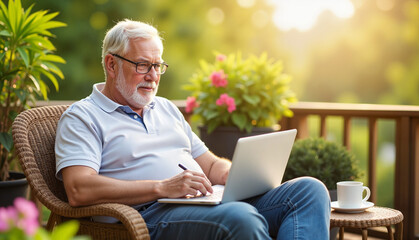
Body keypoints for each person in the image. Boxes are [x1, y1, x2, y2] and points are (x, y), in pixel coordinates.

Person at [55, 19, 331, 240]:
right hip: (148, 215)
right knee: (241, 218)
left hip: (206, 202)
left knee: (308, 191)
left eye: (157, 65)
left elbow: (209, 165)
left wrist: (235, 174)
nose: (152, 76)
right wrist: (162, 187)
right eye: (142, 65)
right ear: (111, 64)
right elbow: (79, 188)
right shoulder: (83, 117)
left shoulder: (164, 108)